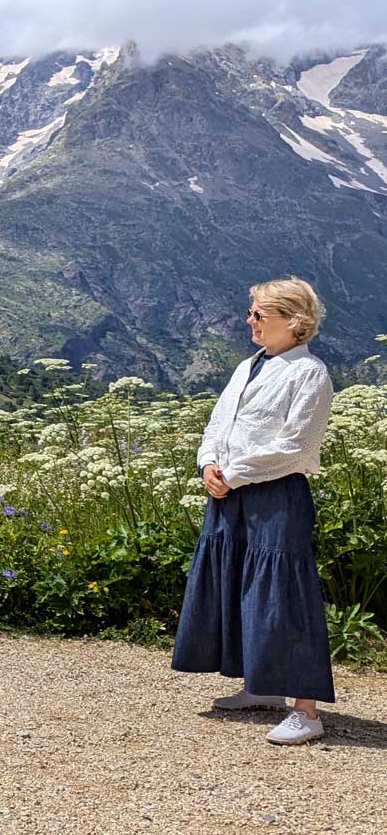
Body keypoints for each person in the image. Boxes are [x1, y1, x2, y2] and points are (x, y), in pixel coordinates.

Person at [172, 277, 335, 745]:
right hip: (229, 492)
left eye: (259, 314)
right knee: (239, 586)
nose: (250, 321)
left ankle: (307, 712)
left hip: (276, 493)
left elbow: (297, 447)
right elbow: (217, 424)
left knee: (282, 595)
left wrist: (233, 472)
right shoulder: (248, 366)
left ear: (293, 320)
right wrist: (207, 463)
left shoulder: (310, 373)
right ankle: (261, 687)